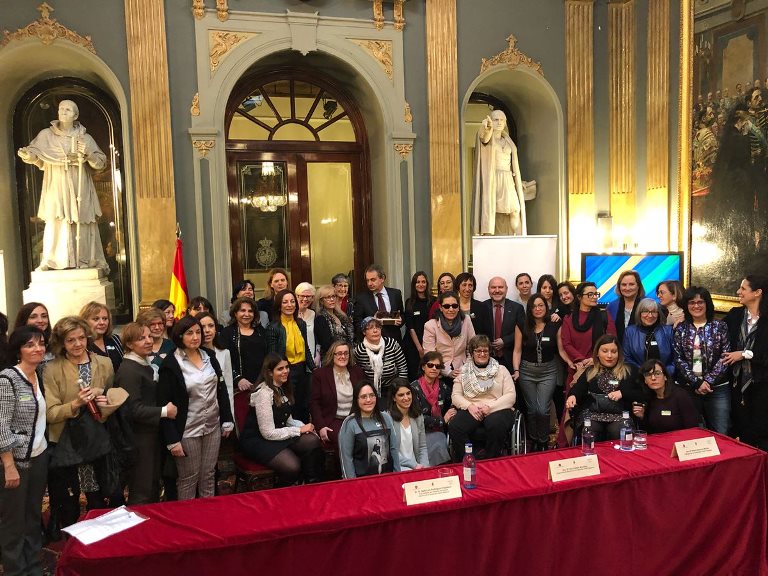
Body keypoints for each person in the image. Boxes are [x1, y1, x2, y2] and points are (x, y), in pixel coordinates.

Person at [17, 99, 109, 272]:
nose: (63, 112)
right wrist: (27, 155)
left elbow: (100, 164)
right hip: (56, 182)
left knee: (82, 219)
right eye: (60, 109)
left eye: (68, 109)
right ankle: (51, 260)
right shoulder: (46, 135)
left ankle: (86, 259)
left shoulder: (85, 138)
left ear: (75, 115)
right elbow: (36, 155)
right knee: (56, 219)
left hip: (79, 183)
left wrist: (88, 154)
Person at [45, 316, 114, 525]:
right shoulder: (52, 369)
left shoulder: (104, 363)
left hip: (98, 438)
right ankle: (70, 545)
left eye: (81, 338)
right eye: (70, 340)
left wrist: (103, 394)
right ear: (61, 343)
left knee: (100, 495)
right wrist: (75, 404)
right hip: (67, 442)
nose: (77, 344)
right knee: (69, 500)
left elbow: (113, 396)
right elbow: (50, 413)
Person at [157, 315, 234, 500]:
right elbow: (164, 403)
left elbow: (221, 389)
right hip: (187, 430)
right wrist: (172, 440)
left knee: (208, 475)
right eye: (189, 333)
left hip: (212, 426)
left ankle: (207, 518)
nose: (195, 337)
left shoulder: (210, 356)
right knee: (188, 478)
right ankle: (187, 519)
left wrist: (227, 419)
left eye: (198, 332)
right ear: (179, 336)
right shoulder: (171, 364)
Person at [0, 326, 49, 576]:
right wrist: (9, 466)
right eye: (29, 344)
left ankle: (33, 566)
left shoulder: (38, 374)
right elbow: (1, 427)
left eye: (40, 343)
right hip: (15, 462)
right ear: (18, 349)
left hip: (39, 457)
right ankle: (15, 570)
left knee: (32, 517)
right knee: (13, 522)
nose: (37, 348)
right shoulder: (7, 379)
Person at [114, 322, 177, 504]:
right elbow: (133, 409)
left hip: (150, 434)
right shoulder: (129, 370)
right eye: (141, 338)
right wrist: (165, 411)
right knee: (142, 487)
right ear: (130, 343)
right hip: (139, 437)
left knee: (152, 483)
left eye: (149, 336)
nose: (149, 341)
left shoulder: (144, 363)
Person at [239, 353, 323, 485]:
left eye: (286, 367)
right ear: (270, 372)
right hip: (258, 440)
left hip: (277, 433)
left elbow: (288, 420)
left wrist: (306, 427)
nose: (285, 371)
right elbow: (268, 433)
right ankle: (282, 492)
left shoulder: (283, 387)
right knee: (292, 466)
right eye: (280, 369)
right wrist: (298, 430)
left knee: (312, 440)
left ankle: (310, 484)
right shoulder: (264, 394)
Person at [673, 286, 730, 434]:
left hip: (717, 388)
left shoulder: (720, 326)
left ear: (707, 304)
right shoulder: (680, 329)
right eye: (692, 302)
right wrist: (697, 382)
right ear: (686, 305)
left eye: (700, 302)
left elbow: (725, 356)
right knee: (690, 433)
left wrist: (708, 382)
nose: (696, 306)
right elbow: (678, 358)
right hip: (689, 388)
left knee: (721, 432)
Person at [449, 335, 516, 461]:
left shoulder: (501, 370)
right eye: (478, 350)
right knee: (455, 426)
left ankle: (490, 461)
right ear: (472, 353)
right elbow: (456, 396)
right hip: (472, 407)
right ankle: (469, 460)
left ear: (490, 352)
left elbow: (510, 396)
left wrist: (490, 407)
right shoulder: (463, 371)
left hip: (498, 408)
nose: (482, 353)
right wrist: (470, 406)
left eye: (485, 350)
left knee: (495, 424)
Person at [518, 294, 571, 451]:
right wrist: (515, 370)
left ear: (546, 307)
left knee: (542, 409)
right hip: (526, 371)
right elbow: (517, 350)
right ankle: (534, 439)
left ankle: (543, 439)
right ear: (530, 309)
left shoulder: (555, 324)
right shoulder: (522, 324)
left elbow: (561, 349)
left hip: (548, 371)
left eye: (541, 305)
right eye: (534, 306)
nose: (538, 309)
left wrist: (570, 361)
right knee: (532, 409)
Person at [565, 335, 641, 441]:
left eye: (613, 351)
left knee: (618, 430)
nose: (609, 355)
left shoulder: (630, 370)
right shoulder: (590, 371)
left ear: (619, 353)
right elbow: (578, 389)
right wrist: (572, 396)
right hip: (593, 414)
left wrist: (623, 393)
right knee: (590, 430)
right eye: (605, 351)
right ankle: (590, 457)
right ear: (597, 353)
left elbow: (642, 393)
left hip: (620, 415)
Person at [724, 275, 768, 449]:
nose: (738, 292)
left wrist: (744, 353)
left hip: (762, 386)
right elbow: (716, 333)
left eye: (743, 289)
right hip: (736, 384)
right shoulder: (735, 315)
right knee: (741, 429)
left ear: (757, 293)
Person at [472, 109, 527, 236]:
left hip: (508, 178)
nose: (499, 122)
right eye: (496, 119)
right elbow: (483, 137)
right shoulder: (488, 139)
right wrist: (486, 128)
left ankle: (517, 238)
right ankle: (492, 238)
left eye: (502, 120)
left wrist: (518, 181)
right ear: (491, 120)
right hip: (493, 179)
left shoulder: (508, 141)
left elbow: (513, 165)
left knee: (515, 209)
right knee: (493, 210)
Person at [265, 290, 315, 423]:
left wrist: (315, 369)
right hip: (286, 371)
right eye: (285, 302)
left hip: (302, 370)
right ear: (279, 306)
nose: (289, 305)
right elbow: (272, 355)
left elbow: (306, 349)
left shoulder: (300, 324)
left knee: (303, 405)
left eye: (292, 301)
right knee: (289, 406)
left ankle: (306, 436)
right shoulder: (273, 327)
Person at [338, 381, 400, 478]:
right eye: (363, 397)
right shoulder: (350, 423)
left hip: (387, 480)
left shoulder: (386, 418)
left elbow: (394, 450)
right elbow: (346, 459)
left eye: (372, 395)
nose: (368, 400)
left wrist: (397, 477)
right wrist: (353, 485)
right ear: (356, 400)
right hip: (362, 484)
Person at [561, 281, 616, 389]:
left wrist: (594, 359)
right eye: (590, 294)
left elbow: (612, 340)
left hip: (600, 368)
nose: (594, 297)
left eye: (596, 294)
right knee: (572, 402)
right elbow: (566, 343)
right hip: (577, 367)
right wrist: (581, 359)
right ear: (579, 297)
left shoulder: (604, 316)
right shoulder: (568, 318)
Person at [310, 341, 366, 448]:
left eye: (346, 353)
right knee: (346, 439)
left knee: (365, 438)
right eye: (339, 353)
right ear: (332, 355)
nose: (343, 356)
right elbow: (314, 403)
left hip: (355, 419)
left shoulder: (357, 372)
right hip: (332, 421)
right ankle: (345, 465)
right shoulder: (320, 374)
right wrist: (321, 426)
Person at [632, 359, 698, 434]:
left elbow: (693, 428)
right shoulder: (648, 399)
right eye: (648, 375)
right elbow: (648, 433)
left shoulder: (680, 396)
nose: (653, 378)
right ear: (645, 380)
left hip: (679, 442)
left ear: (665, 376)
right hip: (657, 442)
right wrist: (642, 417)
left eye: (657, 373)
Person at [353, 317, 408, 406]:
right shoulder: (359, 350)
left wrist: (400, 388)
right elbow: (356, 373)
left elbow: (403, 368)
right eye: (370, 328)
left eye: (378, 327)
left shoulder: (391, 344)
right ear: (364, 332)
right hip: (370, 391)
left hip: (393, 388)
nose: (375, 331)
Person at [410, 352, 453, 465]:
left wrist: (451, 413)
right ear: (423, 367)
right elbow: (416, 416)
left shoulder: (444, 387)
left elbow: (452, 404)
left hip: (439, 430)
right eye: (430, 365)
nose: (434, 368)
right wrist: (441, 421)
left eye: (437, 366)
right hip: (419, 430)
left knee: (441, 439)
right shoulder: (413, 388)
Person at [422, 291, 475, 382]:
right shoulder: (430, 325)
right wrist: (447, 371)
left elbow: (473, 347)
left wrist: (465, 368)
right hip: (439, 371)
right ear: (440, 308)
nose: (451, 309)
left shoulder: (466, 320)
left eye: (454, 306)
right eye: (446, 306)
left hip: (463, 370)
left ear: (458, 307)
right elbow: (430, 355)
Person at [220, 297, 267, 396]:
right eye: (242, 310)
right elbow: (224, 361)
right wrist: (238, 378)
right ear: (235, 313)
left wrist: (265, 379)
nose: (247, 314)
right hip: (239, 387)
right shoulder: (227, 333)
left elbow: (268, 356)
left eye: (250, 311)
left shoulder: (261, 331)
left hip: (262, 385)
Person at [483, 276, 524, 378]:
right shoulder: (481, 307)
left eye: (500, 287)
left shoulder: (517, 308)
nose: (497, 290)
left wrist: (505, 341)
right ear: (488, 289)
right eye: (493, 287)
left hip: (510, 359)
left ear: (506, 289)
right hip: (486, 359)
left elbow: (524, 331)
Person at [622, 298, 675, 375]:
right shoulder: (630, 332)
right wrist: (644, 373)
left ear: (658, 314)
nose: (650, 315)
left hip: (665, 377)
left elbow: (676, 358)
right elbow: (626, 358)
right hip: (638, 378)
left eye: (653, 312)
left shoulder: (668, 331)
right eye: (646, 311)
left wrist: (664, 373)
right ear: (639, 313)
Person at [353, 264, 404, 342]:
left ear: (382, 278)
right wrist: (372, 320)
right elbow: (357, 323)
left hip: (394, 341)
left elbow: (403, 314)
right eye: (367, 280)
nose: (369, 283)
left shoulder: (395, 294)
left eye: (373, 280)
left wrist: (401, 320)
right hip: (372, 343)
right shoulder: (361, 299)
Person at [198, 312, 234, 416]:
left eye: (211, 326)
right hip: (199, 412)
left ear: (216, 328)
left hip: (220, 410)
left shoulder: (224, 353)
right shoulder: (192, 354)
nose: (207, 330)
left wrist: (230, 416)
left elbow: (228, 387)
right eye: (202, 327)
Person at [388, 379, 429, 470]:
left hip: (417, 467)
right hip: (398, 467)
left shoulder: (418, 416)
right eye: (401, 395)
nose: (406, 398)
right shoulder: (388, 419)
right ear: (394, 398)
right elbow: (390, 452)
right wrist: (413, 465)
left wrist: (425, 468)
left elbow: (422, 447)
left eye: (408, 393)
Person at [403, 271, 434, 380]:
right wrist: (420, 348)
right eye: (417, 282)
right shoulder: (409, 302)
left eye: (423, 282)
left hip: (430, 343)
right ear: (414, 285)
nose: (421, 284)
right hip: (412, 345)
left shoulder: (433, 301)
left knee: (429, 374)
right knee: (414, 375)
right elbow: (410, 327)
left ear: (427, 284)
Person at [80, 301, 124, 373]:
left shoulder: (115, 339)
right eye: (96, 319)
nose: (102, 323)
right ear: (85, 321)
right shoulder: (81, 344)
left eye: (105, 318)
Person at [314, 284, 354, 357]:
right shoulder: (320, 319)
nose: (332, 299)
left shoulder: (342, 316)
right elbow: (326, 344)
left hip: (347, 355)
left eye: (333, 296)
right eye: (328, 297)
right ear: (321, 301)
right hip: (332, 358)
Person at [606, 270, 645, 344]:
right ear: (619, 286)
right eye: (624, 284)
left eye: (631, 284)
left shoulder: (647, 304)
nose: (627, 288)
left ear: (638, 286)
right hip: (617, 350)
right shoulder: (611, 307)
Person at [455, 272, 489, 337]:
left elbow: (486, 331)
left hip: (476, 345)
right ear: (458, 287)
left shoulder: (481, 307)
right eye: (464, 285)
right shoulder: (452, 306)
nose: (467, 289)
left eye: (470, 285)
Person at [295, 282, 320, 367]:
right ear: (296, 296)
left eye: (308, 296)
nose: (305, 299)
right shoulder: (291, 314)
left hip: (312, 358)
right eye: (302, 296)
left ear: (313, 298)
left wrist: (317, 354)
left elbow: (316, 336)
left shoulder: (314, 314)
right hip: (296, 360)